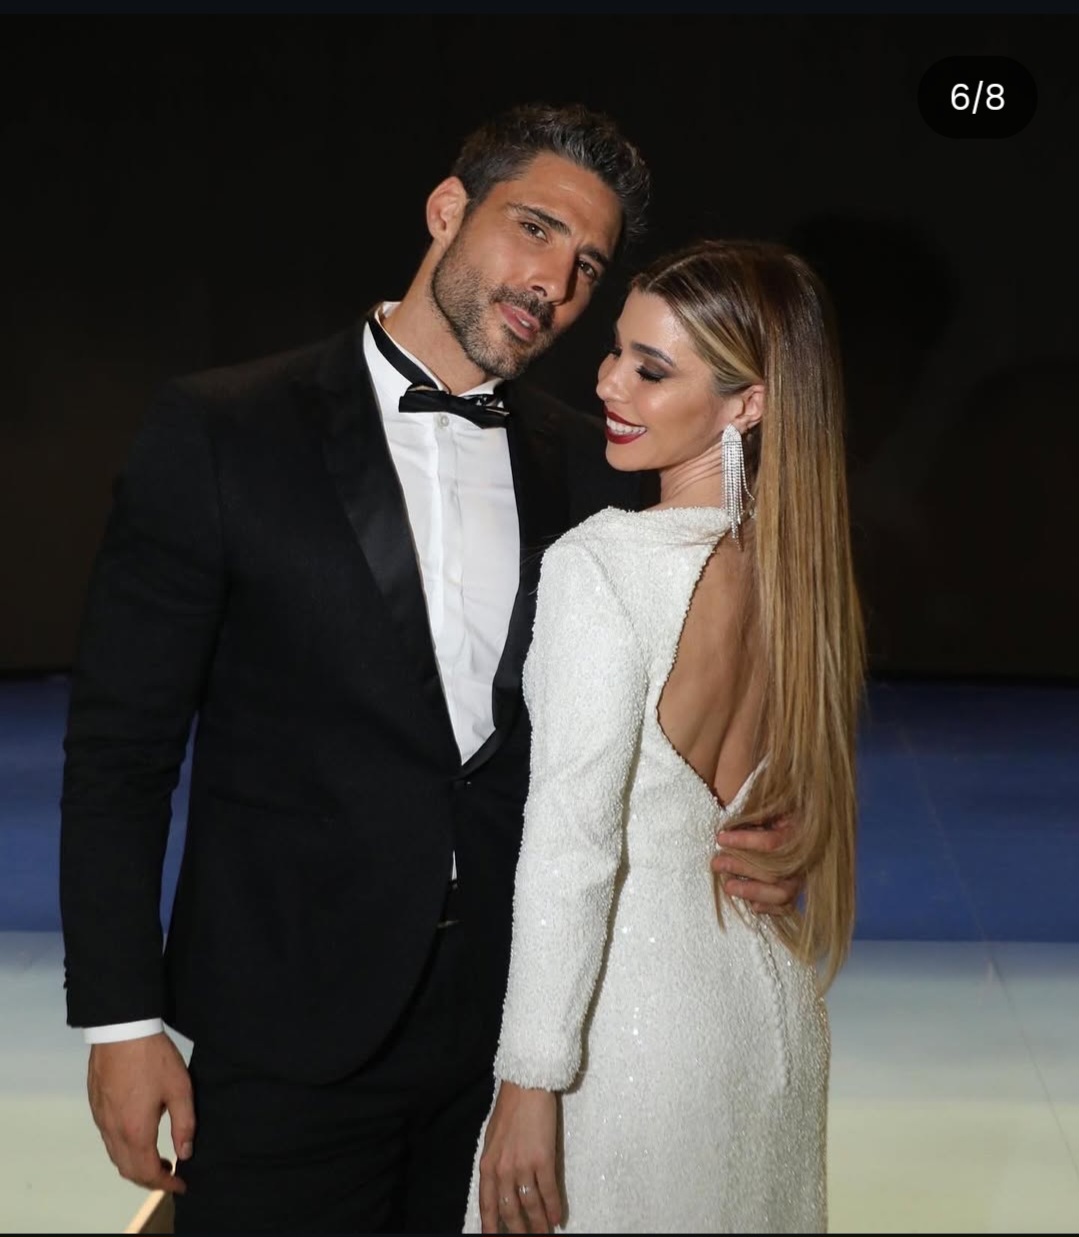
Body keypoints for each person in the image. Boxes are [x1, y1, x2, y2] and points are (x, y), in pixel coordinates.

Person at [59, 105, 800, 1236]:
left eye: (586, 264)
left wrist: (779, 828)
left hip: (511, 1043)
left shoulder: (593, 465)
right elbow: (120, 748)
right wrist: (122, 1021)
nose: (553, 282)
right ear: (448, 209)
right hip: (289, 1030)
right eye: (534, 228)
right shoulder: (222, 429)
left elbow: (694, 701)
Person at [465, 239, 866, 1234]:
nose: (607, 383)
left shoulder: (601, 567)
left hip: (629, 1044)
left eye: (651, 370)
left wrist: (528, 1079)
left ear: (746, 404)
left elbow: (571, 848)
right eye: (615, 352)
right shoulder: (799, 576)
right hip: (769, 1027)